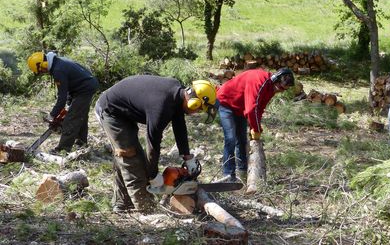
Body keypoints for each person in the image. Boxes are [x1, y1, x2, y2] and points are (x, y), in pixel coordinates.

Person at [94, 75, 217, 213]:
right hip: (110, 111)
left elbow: (179, 126)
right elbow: (153, 143)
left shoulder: (176, 94)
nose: (197, 112)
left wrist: (187, 156)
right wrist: (153, 175)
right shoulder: (162, 105)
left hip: (124, 113)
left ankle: (122, 204)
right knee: (130, 156)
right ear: (194, 102)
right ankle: (146, 209)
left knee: (130, 157)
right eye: (199, 109)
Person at [216, 67, 295, 182]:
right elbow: (251, 110)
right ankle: (228, 175)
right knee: (230, 139)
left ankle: (243, 173)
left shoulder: (270, 88)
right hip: (226, 102)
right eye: (281, 88)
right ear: (275, 80)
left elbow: (260, 108)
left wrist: (257, 127)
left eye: (284, 90)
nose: (281, 91)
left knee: (242, 140)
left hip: (240, 107)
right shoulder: (259, 82)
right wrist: (256, 128)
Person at [27, 51, 99, 153]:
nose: (43, 72)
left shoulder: (58, 70)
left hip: (85, 89)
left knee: (71, 118)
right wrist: (70, 103)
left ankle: (63, 149)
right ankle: (81, 144)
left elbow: (62, 97)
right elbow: (68, 87)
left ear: (43, 64)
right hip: (85, 86)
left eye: (41, 70)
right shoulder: (58, 63)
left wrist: (52, 115)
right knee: (80, 115)